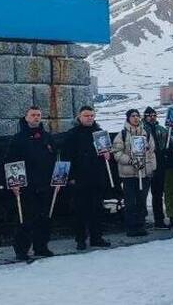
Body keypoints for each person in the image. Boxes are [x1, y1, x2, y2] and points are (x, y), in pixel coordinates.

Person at [4, 106, 57, 261]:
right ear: (26, 117)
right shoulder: (18, 138)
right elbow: (11, 160)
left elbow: (55, 158)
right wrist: (14, 182)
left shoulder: (47, 137)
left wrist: (58, 179)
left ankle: (41, 246)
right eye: (33, 115)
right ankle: (21, 249)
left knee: (44, 217)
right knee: (24, 218)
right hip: (26, 185)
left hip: (45, 184)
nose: (36, 117)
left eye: (38, 115)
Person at [60, 106, 112, 250]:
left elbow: (107, 154)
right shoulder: (72, 134)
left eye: (91, 115)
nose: (89, 118)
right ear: (80, 117)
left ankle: (97, 237)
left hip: (96, 177)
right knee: (80, 211)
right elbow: (65, 156)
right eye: (86, 115)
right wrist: (70, 177)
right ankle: (81, 239)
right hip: (79, 178)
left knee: (97, 209)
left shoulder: (100, 133)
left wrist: (108, 155)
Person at [111, 109, 157, 237]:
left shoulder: (146, 133)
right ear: (128, 118)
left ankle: (141, 225)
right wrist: (131, 161)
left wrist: (151, 168)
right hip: (129, 174)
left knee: (142, 201)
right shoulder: (123, 134)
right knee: (130, 202)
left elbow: (152, 152)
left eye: (137, 116)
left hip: (143, 173)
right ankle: (131, 227)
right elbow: (117, 153)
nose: (136, 118)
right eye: (133, 116)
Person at [141, 107, 169, 229]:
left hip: (160, 162)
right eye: (149, 115)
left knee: (157, 193)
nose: (152, 117)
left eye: (154, 115)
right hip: (146, 162)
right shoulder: (141, 129)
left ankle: (159, 220)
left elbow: (168, 139)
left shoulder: (160, 129)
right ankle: (141, 219)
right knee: (142, 193)